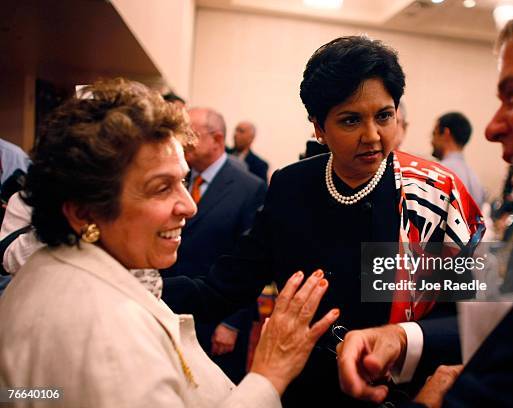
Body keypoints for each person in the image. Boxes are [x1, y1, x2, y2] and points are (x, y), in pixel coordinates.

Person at [163, 36, 484, 407]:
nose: (372, 136)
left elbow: (463, 320)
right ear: (318, 127)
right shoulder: (291, 186)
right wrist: (142, 288)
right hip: (304, 389)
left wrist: (398, 337)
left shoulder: (430, 194)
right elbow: (225, 286)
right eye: (350, 120)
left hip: (394, 393)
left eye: (384, 116)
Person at [336, 0, 513, 406]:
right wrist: (405, 337)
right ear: (319, 129)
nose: (493, 126)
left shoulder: (442, 185)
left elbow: (475, 288)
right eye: (349, 120)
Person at [0, 78, 339, 407]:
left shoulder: (61, 267)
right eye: (162, 188)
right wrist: (269, 375)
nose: (189, 207)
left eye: (183, 181)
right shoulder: (106, 337)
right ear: (83, 212)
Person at [162, 107, 266, 383]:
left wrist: (231, 323)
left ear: (217, 139)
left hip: (216, 317)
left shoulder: (249, 187)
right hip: (169, 307)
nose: (181, 142)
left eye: (189, 135)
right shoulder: (179, 178)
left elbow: (248, 260)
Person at [431, 112, 486, 208]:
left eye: (434, 134)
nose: (432, 141)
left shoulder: (439, 173)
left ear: (445, 133)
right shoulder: (475, 179)